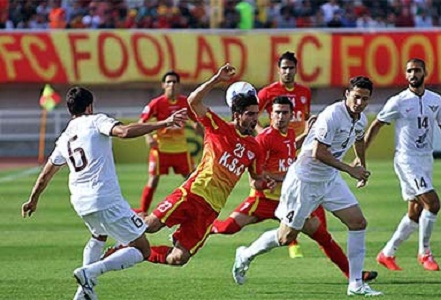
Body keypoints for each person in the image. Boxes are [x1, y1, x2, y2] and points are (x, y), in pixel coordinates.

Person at [21, 86, 188, 300]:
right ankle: (91, 272)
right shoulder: (96, 120)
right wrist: (165, 122)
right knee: (142, 249)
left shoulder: (65, 137)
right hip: (104, 198)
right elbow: (125, 132)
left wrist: (32, 200)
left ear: (70, 109)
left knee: (98, 236)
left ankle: (83, 293)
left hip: (80, 202)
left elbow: (46, 174)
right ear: (90, 106)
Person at [232, 76, 383, 297]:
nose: (359, 103)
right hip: (304, 181)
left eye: (364, 99)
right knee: (286, 238)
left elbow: (359, 138)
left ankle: (356, 284)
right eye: (356, 97)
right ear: (347, 95)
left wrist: (360, 161)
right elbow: (318, 153)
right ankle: (245, 255)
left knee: (358, 222)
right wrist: (350, 170)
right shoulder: (332, 115)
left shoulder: (359, 119)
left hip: (329, 179)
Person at [141, 64, 276, 266]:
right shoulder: (217, 127)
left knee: (179, 258)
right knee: (149, 226)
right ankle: (120, 238)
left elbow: (256, 181)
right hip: (192, 193)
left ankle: (136, 252)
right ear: (237, 114)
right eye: (250, 114)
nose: (255, 119)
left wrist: (267, 183)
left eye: (257, 114)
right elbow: (193, 101)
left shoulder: (255, 148)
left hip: (211, 210)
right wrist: (216, 79)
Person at [365, 58, 441, 272]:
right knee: (432, 204)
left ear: (425, 73)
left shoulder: (436, 100)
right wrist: (362, 154)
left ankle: (387, 253)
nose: (413, 74)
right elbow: (377, 125)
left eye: (417, 70)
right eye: (409, 71)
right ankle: (425, 253)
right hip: (407, 159)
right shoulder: (398, 101)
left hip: (426, 159)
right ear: (405, 75)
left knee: (415, 212)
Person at [257, 51, 312, 258]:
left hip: (299, 147)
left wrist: (307, 137)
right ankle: (291, 240)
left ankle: (300, 236)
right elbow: (253, 115)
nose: (287, 71)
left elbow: (305, 116)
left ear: (296, 70)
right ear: (278, 70)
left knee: (310, 190)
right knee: (283, 192)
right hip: (277, 149)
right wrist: (262, 134)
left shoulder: (304, 92)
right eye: (284, 68)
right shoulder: (268, 92)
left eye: (291, 68)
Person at [137, 71, 202, 214]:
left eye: (174, 82)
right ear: (163, 85)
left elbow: (196, 120)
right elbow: (142, 122)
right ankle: (143, 211)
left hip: (181, 149)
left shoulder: (186, 102)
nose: (171, 85)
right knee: (153, 180)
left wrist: (198, 127)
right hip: (161, 149)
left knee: (193, 180)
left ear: (179, 85)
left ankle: (195, 210)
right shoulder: (156, 103)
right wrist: (148, 137)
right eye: (169, 82)